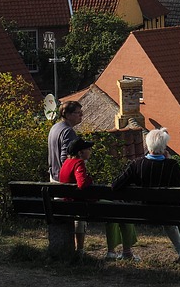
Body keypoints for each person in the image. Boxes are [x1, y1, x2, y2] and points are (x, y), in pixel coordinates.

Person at [113, 127, 180, 261]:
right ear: (164, 147)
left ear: (148, 145)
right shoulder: (171, 165)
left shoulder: (137, 164)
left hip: (142, 212)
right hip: (168, 212)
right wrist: (169, 159)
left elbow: (116, 185)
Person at [60, 137, 138, 260]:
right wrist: (90, 179)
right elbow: (82, 183)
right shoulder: (78, 163)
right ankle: (123, 252)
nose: (90, 151)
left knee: (114, 212)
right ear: (80, 152)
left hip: (71, 204)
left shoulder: (66, 163)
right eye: (88, 149)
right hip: (83, 206)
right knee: (123, 211)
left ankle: (115, 252)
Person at [48, 101, 85, 254]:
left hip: (53, 177)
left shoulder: (55, 127)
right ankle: (79, 250)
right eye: (78, 113)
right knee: (78, 213)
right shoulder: (69, 132)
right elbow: (66, 158)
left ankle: (61, 248)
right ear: (68, 115)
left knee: (61, 214)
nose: (81, 116)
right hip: (64, 181)